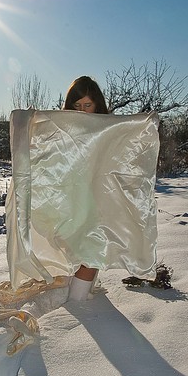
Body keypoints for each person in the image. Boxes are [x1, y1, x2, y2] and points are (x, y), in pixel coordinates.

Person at [63, 76, 109, 301]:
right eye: (76, 106)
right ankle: (77, 301)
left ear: (97, 104)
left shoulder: (109, 129)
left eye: (87, 105)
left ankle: (80, 300)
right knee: (87, 250)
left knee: (95, 249)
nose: (81, 111)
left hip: (102, 198)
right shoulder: (65, 130)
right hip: (76, 200)